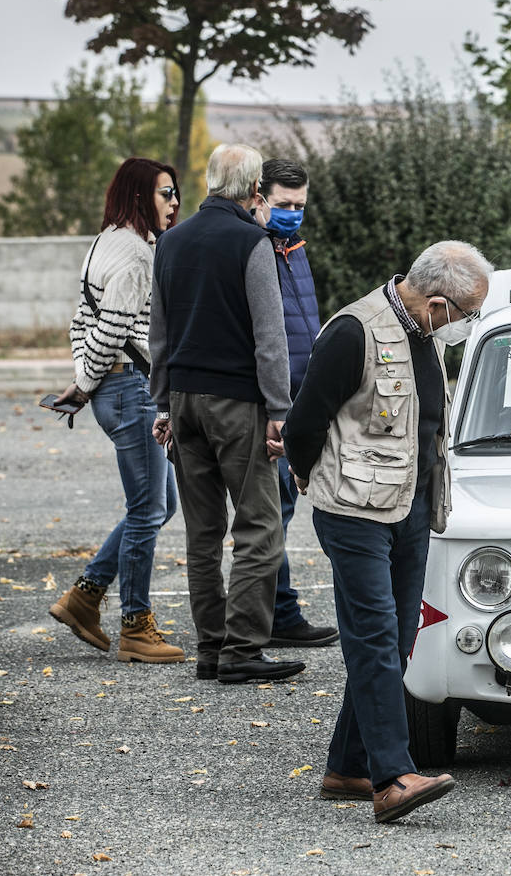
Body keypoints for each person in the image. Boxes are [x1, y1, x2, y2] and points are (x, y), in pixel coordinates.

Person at [283, 240, 490, 822]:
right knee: (373, 636)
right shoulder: (354, 332)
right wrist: (310, 477)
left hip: (413, 507)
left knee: (397, 638)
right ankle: (392, 778)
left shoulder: (425, 334)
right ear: (436, 301)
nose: (467, 324)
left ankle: (346, 768)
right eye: (466, 312)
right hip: (355, 513)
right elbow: (304, 423)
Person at [148, 143, 303, 684]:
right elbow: (269, 336)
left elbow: (159, 333)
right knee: (260, 528)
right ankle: (242, 651)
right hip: (238, 404)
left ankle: (210, 648)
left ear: (210, 182)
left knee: (202, 534)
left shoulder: (171, 242)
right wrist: (280, 410)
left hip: (184, 401)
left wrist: (162, 401)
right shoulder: (252, 241)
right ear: (255, 189)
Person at [49, 157, 185, 664]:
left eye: (175, 193)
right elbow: (109, 329)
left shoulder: (106, 241)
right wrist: (87, 384)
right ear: (137, 198)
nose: (174, 203)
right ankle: (134, 625)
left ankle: (85, 596)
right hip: (131, 391)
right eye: (165, 194)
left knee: (159, 505)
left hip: (118, 387)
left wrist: (84, 377)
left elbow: (79, 323)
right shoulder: (132, 255)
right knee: (148, 509)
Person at [253, 158, 338, 649]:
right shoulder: (258, 250)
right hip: (276, 406)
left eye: (300, 206)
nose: (292, 214)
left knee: (281, 511)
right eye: (283, 204)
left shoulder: (294, 248)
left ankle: (275, 612)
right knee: (273, 513)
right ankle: (277, 615)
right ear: (260, 198)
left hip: (302, 399)